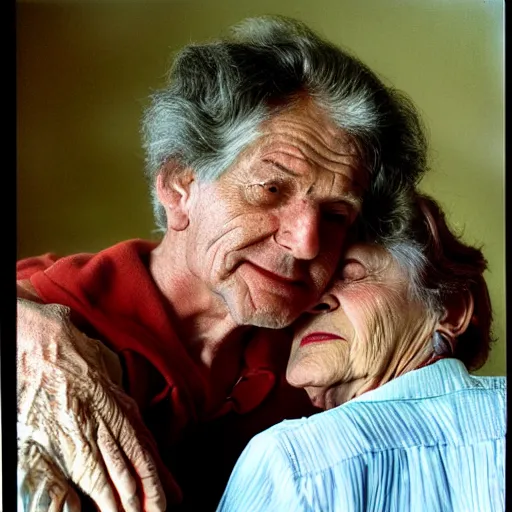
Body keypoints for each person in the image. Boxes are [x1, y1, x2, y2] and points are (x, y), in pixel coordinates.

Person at [16, 15, 429, 511]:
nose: (305, 242)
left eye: (337, 214)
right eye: (271, 189)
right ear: (178, 186)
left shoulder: (324, 366)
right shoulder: (52, 318)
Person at [217, 192, 505, 512]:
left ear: (450, 308)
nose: (313, 302)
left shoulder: (294, 462)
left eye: (351, 274)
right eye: (303, 285)